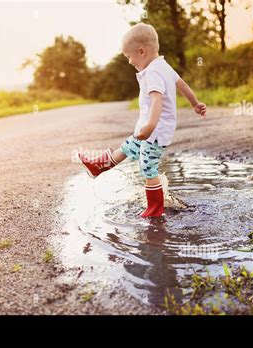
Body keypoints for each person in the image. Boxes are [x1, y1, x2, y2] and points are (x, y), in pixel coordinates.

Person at [79, 23, 207, 218]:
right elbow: (182, 85)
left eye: (129, 57)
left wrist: (150, 126)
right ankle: (97, 167)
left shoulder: (153, 71)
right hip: (149, 130)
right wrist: (195, 103)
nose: (130, 62)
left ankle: (155, 209)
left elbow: (157, 100)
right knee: (127, 148)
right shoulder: (163, 66)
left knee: (148, 167)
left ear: (141, 51)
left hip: (153, 133)